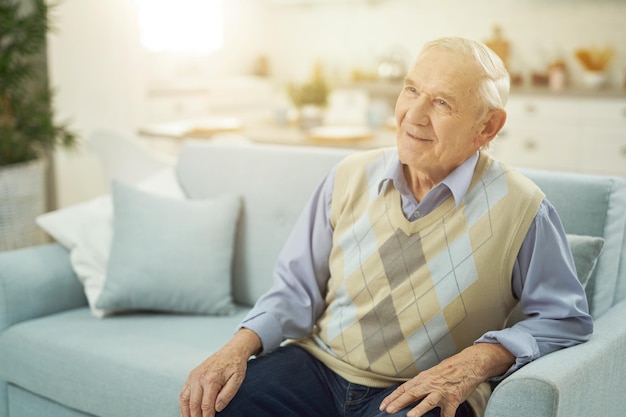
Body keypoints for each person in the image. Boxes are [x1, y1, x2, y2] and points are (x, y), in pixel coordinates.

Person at [179, 36, 592, 417]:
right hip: (318, 366)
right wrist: (237, 346)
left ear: (487, 126)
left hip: (420, 389)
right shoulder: (349, 175)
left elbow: (564, 317)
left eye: (442, 103)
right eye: (411, 90)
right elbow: (295, 290)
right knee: (218, 406)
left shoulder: (522, 207)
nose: (413, 115)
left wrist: (479, 359)